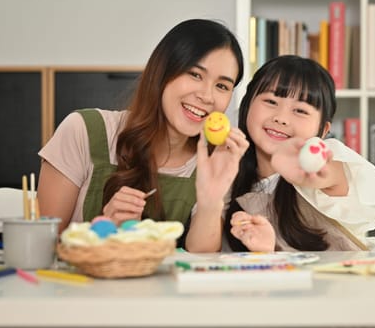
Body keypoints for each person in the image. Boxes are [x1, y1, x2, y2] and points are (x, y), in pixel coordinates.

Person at [37, 19, 249, 252]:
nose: (207, 96)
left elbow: (202, 263)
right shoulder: (84, 131)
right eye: (195, 74)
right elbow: (39, 249)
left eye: (222, 86)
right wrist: (102, 231)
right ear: (162, 72)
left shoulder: (215, 163)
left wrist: (210, 202)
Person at [224, 55, 375, 252]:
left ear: (322, 130)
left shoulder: (327, 161)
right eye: (271, 101)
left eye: (301, 111)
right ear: (246, 106)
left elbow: (330, 173)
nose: (281, 118)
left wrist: (310, 168)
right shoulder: (226, 173)